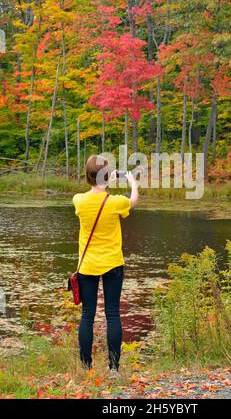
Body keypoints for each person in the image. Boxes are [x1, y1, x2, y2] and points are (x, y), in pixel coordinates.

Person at [72, 155, 138, 372]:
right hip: (112, 264)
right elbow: (133, 201)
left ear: (87, 176)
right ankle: (114, 369)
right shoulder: (116, 202)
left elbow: (90, 195)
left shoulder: (79, 200)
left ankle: (86, 368)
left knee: (87, 315)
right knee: (112, 314)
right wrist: (132, 183)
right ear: (108, 177)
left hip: (87, 266)